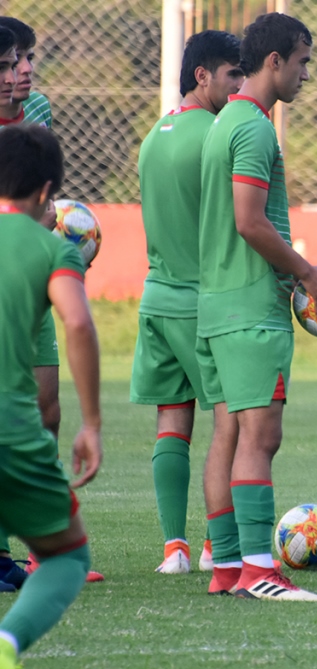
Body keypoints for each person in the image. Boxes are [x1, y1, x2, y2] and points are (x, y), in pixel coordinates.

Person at [198, 13, 317, 601]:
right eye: (303, 62)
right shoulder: (256, 129)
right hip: (251, 310)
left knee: (228, 437)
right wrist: (307, 273)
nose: (306, 74)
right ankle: (260, 571)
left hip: (215, 306)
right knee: (260, 440)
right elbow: (250, 222)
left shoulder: (223, 121)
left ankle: (227, 569)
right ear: (275, 61)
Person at [133, 30, 244, 576]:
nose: (240, 86)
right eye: (233, 74)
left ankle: (173, 548)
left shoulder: (155, 134)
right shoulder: (218, 134)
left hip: (157, 298)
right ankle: (215, 546)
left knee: (172, 423)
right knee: (234, 425)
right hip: (203, 303)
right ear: (202, 75)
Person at [0, 16, 104, 591]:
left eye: (26, 58)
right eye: (11, 62)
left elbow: (42, 193)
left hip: (32, 279)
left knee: (45, 409)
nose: (23, 70)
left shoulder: (37, 111)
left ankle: (42, 545)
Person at [0, 124, 102, 669]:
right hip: (14, 432)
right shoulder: (52, 248)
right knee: (67, 557)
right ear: (46, 192)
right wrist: (92, 423)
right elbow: (78, 323)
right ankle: (6, 646)